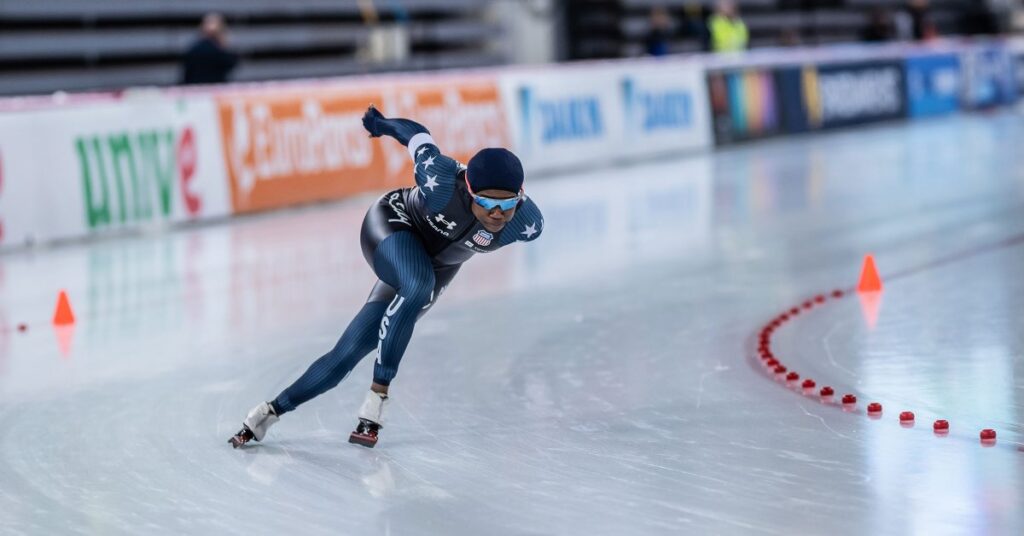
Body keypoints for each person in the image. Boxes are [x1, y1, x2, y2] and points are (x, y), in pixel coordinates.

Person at [229, 105, 545, 449]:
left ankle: (267, 414)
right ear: (469, 191)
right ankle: (378, 397)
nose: (497, 214)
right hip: (393, 224)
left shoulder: (526, 224)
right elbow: (417, 135)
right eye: (486, 202)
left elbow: (504, 216)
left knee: (347, 354)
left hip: (436, 266)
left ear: (521, 197)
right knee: (418, 284)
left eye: (508, 203)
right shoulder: (439, 181)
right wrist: (381, 124)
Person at [181, 13, 239, 85]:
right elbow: (232, 63)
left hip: (197, 88)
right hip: (213, 89)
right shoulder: (220, 52)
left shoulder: (194, 49)